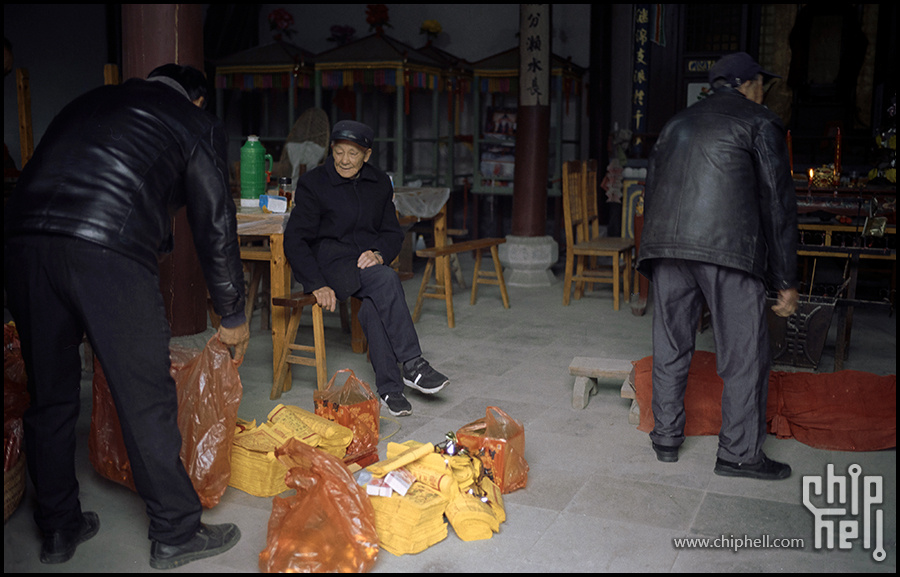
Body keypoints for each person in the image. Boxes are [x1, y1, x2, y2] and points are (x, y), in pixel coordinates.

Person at [4, 64, 248, 568]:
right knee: (145, 396)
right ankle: (176, 532)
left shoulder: (87, 102)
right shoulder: (192, 120)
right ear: (196, 99)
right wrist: (233, 312)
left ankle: (57, 527)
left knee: (49, 395)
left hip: (25, 245)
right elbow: (215, 223)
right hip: (106, 250)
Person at [635, 52, 800, 480]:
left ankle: (666, 438)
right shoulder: (759, 122)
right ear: (748, 83)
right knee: (743, 354)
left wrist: (653, 251)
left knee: (672, 344)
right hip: (729, 251)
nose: (764, 90)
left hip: (667, 249)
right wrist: (785, 279)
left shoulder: (676, 125)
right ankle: (739, 455)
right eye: (763, 82)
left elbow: (651, 191)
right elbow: (777, 205)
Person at [284, 120, 449, 416]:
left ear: (367, 155)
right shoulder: (314, 183)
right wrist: (315, 283)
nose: (344, 160)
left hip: (365, 264)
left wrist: (380, 253)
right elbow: (295, 239)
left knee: (375, 301)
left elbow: (391, 232)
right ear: (331, 150)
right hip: (330, 263)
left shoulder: (379, 184)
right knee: (385, 281)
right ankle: (413, 363)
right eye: (339, 152)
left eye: (353, 153)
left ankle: (390, 389)